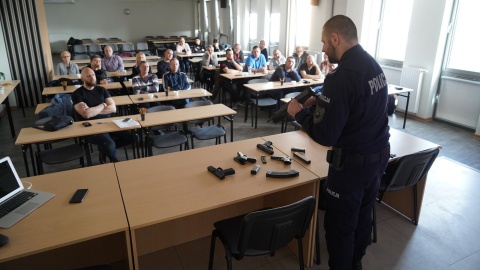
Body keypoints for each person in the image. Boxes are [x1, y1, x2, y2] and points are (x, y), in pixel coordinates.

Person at [287, 15, 390, 270]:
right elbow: (357, 107)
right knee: (362, 220)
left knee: (340, 228)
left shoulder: (341, 77)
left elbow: (326, 136)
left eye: (323, 42)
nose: (322, 48)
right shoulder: (373, 65)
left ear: (335, 38)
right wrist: (322, 101)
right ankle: (356, 264)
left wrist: (298, 113)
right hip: (377, 159)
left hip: (350, 168)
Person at [72, 68, 131, 163]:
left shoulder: (101, 89)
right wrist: (103, 104)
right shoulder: (77, 94)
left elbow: (113, 108)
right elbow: (86, 114)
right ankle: (113, 158)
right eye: (89, 76)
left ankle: (104, 150)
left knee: (133, 136)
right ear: (82, 78)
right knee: (109, 143)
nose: (92, 78)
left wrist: (92, 110)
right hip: (91, 126)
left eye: (93, 75)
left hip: (109, 122)